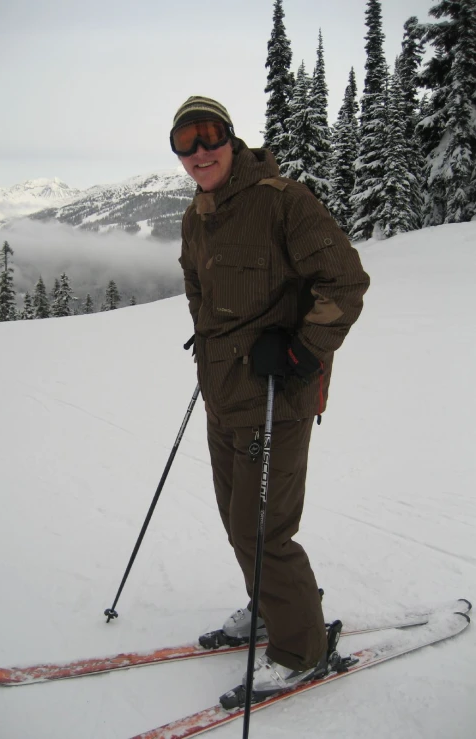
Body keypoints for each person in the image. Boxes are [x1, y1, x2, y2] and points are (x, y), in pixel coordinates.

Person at [172, 95, 370, 701]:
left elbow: (346, 281)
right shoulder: (195, 216)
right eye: (186, 141)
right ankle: (269, 607)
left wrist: (298, 352)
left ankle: (302, 648)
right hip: (223, 395)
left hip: (275, 398)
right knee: (238, 521)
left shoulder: (285, 203)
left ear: (232, 139)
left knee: (264, 529)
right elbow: (199, 291)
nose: (200, 152)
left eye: (210, 136)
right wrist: (211, 344)